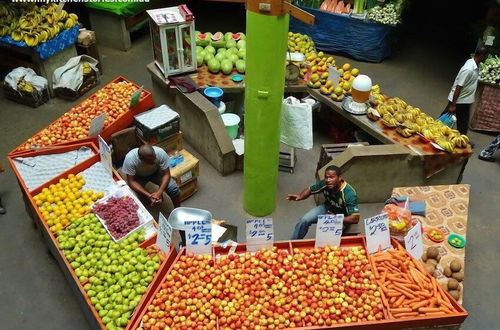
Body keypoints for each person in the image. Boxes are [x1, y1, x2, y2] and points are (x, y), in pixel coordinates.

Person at [288, 165, 360, 239]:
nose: (328, 180)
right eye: (326, 177)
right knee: (304, 220)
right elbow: (310, 189)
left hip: (343, 216)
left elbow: (355, 218)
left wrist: (336, 218)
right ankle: (293, 243)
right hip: (327, 208)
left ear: (339, 178)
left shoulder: (349, 193)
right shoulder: (325, 184)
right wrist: (300, 196)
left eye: (332, 177)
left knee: (330, 240)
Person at [444, 46, 488, 135]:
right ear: (482, 56)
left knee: (462, 123)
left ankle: (462, 138)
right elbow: (458, 87)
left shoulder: (474, 64)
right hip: (459, 100)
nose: (486, 58)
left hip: (465, 100)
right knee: (447, 117)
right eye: (486, 56)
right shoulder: (469, 69)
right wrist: (453, 104)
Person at [122, 144, 180, 209]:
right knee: (133, 196)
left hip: (156, 172)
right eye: (150, 160)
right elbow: (131, 181)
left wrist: (159, 192)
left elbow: (166, 174)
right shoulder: (130, 159)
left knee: (173, 188)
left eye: (154, 158)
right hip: (139, 176)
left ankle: (178, 209)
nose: (154, 161)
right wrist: (148, 195)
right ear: (140, 159)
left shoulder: (160, 153)